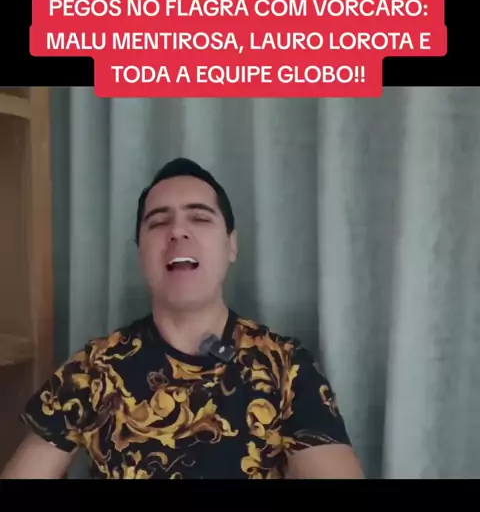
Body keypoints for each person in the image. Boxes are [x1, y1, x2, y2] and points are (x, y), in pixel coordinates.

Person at [1, 158, 364, 480]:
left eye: (200, 217)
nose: (177, 231)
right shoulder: (94, 370)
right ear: (141, 253)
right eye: (158, 222)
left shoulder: (286, 367)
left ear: (231, 245)